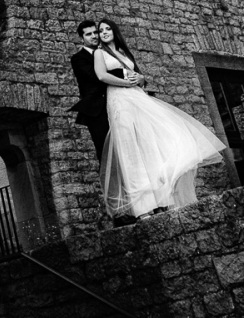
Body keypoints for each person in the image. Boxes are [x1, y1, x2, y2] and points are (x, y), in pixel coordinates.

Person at [93, 18, 227, 217]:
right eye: (100, 30)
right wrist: (125, 83)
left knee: (152, 143)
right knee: (130, 150)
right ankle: (142, 208)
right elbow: (102, 76)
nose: (104, 32)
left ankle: (163, 199)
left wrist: (141, 79)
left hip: (137, 97)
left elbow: (138, 75)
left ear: (114, 31)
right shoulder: (99, 53)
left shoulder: (123, 52)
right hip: (119, 99)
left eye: (107, 29)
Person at [68, 19, 109, 159]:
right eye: (89, 34)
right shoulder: (78, 59)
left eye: (96, 32)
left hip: (117, 104)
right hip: (96, 110)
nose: (94, 36)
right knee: (105, 149)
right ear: (82, 38)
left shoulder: (108, 53)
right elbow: (96, 77)